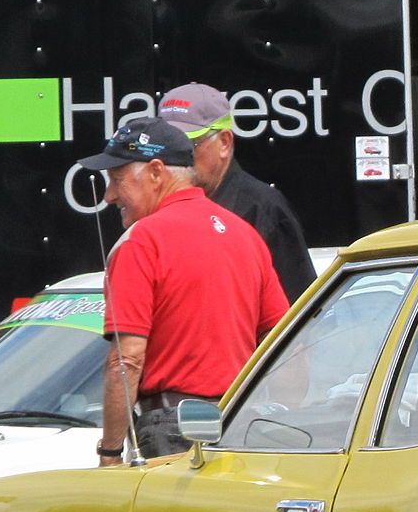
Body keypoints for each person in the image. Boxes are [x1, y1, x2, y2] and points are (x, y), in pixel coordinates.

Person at [78, 117, 288, 462]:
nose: (109, 196)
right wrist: (278, 418)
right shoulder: (245, 235)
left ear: (157, 172)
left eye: (117, 180)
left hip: (172, 429)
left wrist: (110, 451)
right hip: (244, 426)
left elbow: (126, 359)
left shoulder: (141, 242)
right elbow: (286, 348)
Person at [156, 83, 318, 301]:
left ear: (224, 142)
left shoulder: (263, 210)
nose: (173, 157)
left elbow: (300, 313)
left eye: (188, 144)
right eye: (164, 146)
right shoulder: (157, 209)